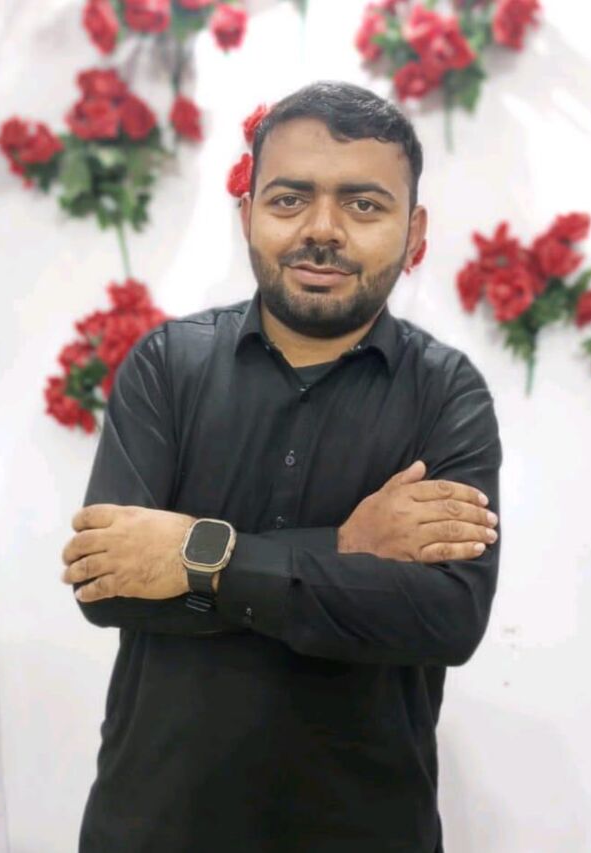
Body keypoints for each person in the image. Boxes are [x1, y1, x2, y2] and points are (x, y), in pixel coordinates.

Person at [61, 80, 502, 853]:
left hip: (365, 830)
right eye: (290, 199)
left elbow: (445, 617)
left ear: (413, 230)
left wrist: (192, 559)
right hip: (156, 825)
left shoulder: (447, 393)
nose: (322, 230)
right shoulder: (166, 365)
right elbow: (110, 584)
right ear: (248, 215)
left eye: (363, 204)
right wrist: (345, 548)